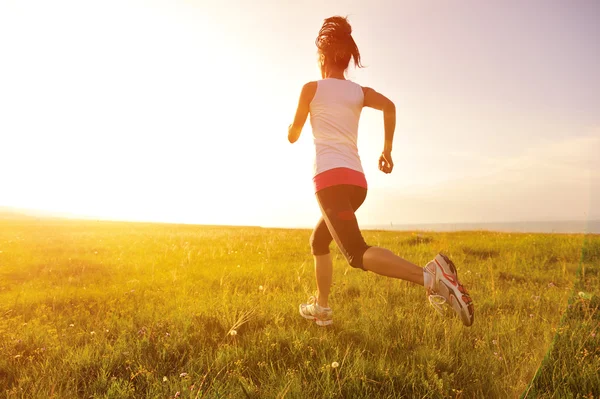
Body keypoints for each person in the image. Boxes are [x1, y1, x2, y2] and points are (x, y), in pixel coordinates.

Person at [288, 16, 474, 327]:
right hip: (356, 184)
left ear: (322, 57)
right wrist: (386, 150)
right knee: (319, 241)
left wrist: (292, 130)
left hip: (329, 181)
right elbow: (390, 106)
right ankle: (321, 307)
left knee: (357, 254)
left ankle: (432, 278)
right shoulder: (359, 92)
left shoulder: (311, 88)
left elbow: (294, 133)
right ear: (347, 59)